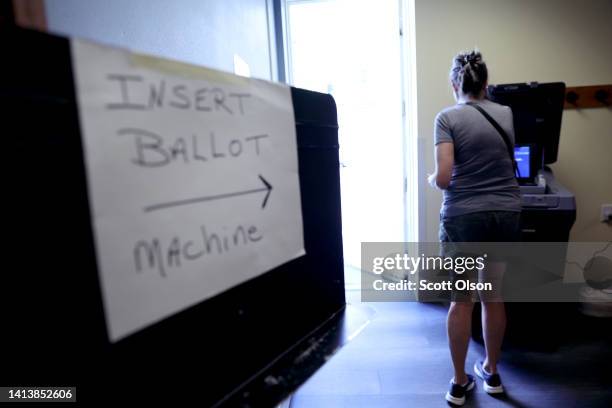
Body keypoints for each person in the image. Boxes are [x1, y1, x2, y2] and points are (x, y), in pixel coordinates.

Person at [427, 50, 521, 406]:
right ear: (486, 84)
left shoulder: (447, 117)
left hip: (464, 217)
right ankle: (492, 372)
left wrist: (432, 178)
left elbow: (446, 176)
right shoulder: (506, 114)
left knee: (461, 300)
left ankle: (459, 381)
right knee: (492, 294)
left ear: (455, 84)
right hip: (505, 212)